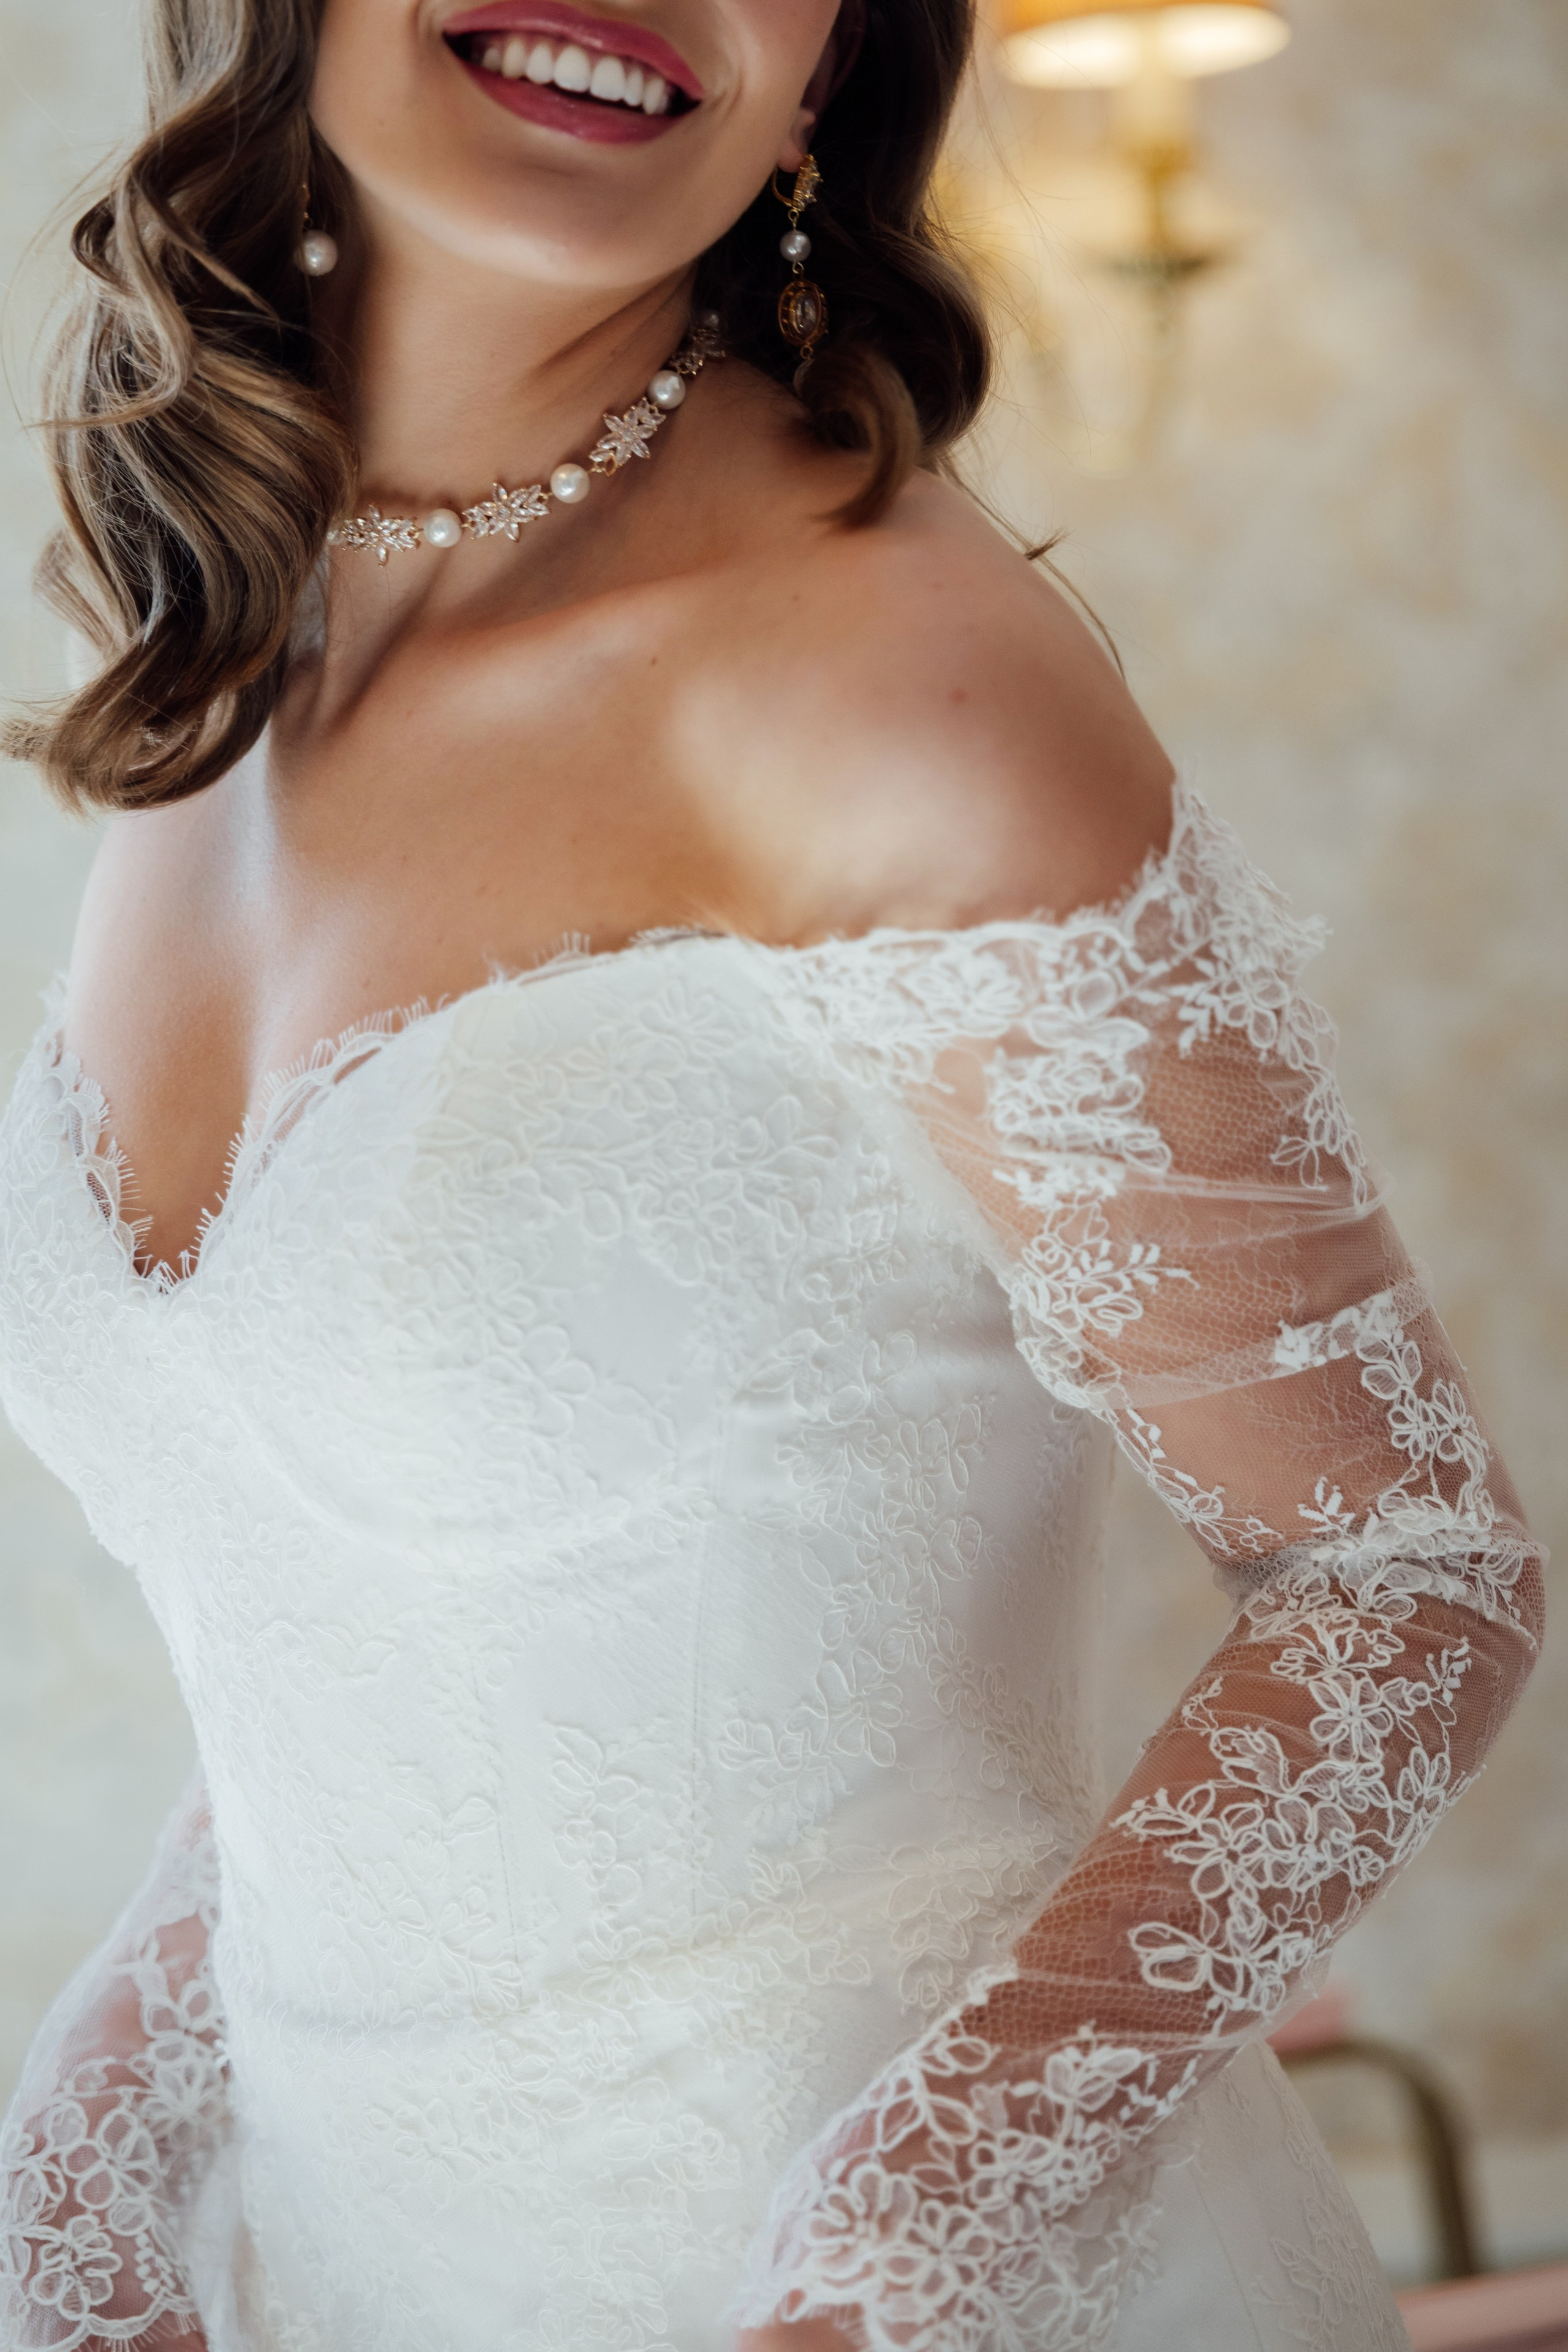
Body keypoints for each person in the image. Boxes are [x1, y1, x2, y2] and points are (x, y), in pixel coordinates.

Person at [0, 0, 1542, 2346]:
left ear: (826, 72)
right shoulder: (229, 679)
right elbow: (384, 1651)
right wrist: (91, 2161)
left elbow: (1404, 1570)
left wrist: (899, 2239)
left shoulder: (893, 675)